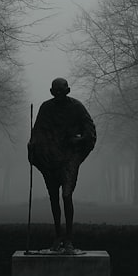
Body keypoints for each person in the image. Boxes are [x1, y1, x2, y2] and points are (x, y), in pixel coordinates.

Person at [27, 77, 96, 253]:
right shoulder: (45, 108)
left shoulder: (77, 107)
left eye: (61, 91)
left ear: (68, 91)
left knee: (66, 195)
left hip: (69, 158)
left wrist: (77, 140)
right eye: (55, 92)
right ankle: (58, 237)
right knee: (53, 197)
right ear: (51, 92)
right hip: (50, 158)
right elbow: (38, 131)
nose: (58, 95)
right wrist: (32, 144)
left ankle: (69, 240)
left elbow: (90, 133)